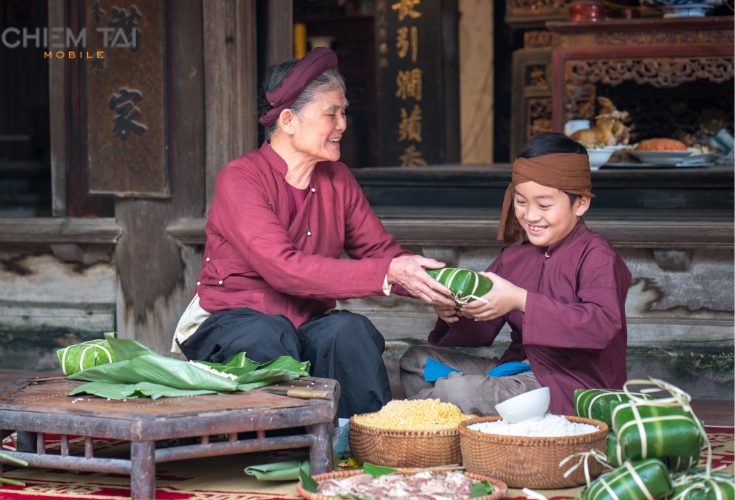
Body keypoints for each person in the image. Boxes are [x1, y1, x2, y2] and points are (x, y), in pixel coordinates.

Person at [172, 48, 454, 418]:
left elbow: (380, 254)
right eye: (331, 114)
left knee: (349, 330)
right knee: (268, 335)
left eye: (344, 113)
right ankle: (282, 444)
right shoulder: (240, 178)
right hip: (232, 324)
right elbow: (283, 268)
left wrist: (439, 286)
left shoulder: (337, 179)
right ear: (288, 120)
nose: (342, 124)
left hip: (303, 325)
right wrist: (388, 273)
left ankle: (364, 439)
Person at [400, 132, 631, 416]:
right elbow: (479, 332)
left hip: (569, 383)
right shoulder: (515, 256)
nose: (531, 216)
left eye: (544, 205)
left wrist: (521, 300)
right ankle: (480, 411)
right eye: (521, 202)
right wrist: (451, 310)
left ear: (581, 203)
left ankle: (465, 409)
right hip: (517, 370)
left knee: (454, 391)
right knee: (415, 361)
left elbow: (602, 328)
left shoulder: (596, 254)